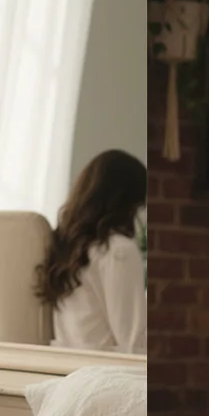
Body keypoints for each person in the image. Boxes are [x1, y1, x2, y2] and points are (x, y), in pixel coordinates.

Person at [40, 149, 147, 354]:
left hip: (66, 365)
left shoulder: (67, 246)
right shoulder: (118, 250)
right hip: (108, 367)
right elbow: (134, 343)